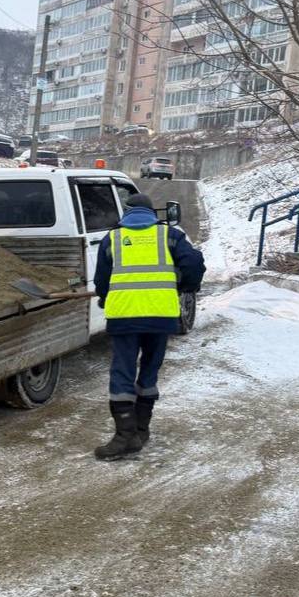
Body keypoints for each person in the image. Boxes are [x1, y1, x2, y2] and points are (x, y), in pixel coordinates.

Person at [93, 193, 205, 460]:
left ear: (127, 212)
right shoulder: (170, 236)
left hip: (124, 317)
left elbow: (101, 280)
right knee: (150, 371)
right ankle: (140, 431)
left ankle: (124, 436)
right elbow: (194, 263)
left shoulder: (113, 238)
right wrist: (183, 285)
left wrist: (104, 296)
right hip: (160, 316)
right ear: (151, 213)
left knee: (122, 372)